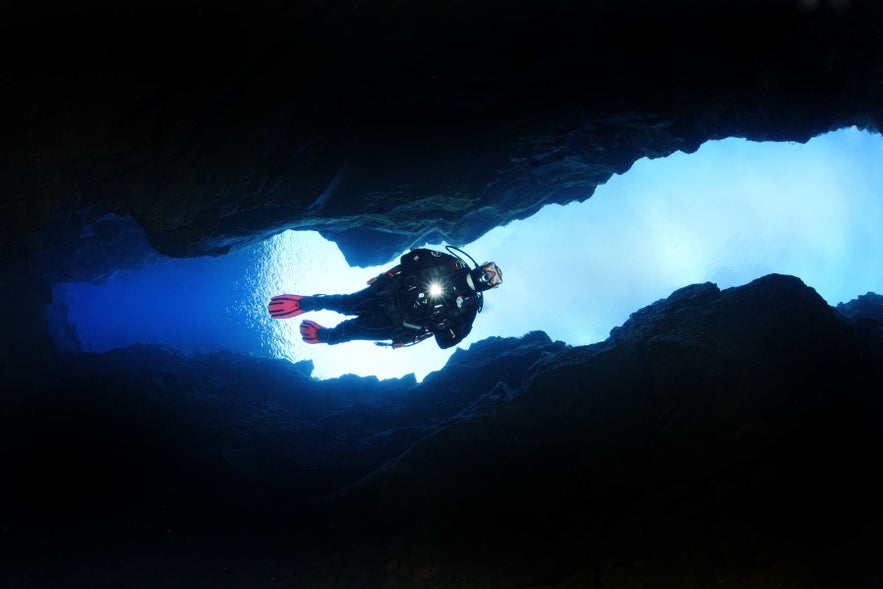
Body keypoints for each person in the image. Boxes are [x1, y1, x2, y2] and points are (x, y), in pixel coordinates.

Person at [268, 246, 502, 349]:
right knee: (346, 303)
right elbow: (412, 258)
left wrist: (442, 321)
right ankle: (307, 303)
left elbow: (446, 342)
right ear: (483, 264)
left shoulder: (470, 309)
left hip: (401, 325)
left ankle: (326, 336)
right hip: (389, 292)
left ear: (491, 287)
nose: (488, 275)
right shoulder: (452, 264)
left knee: (352, 330)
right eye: (490, 269)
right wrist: (413, 282)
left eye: (493, 279)